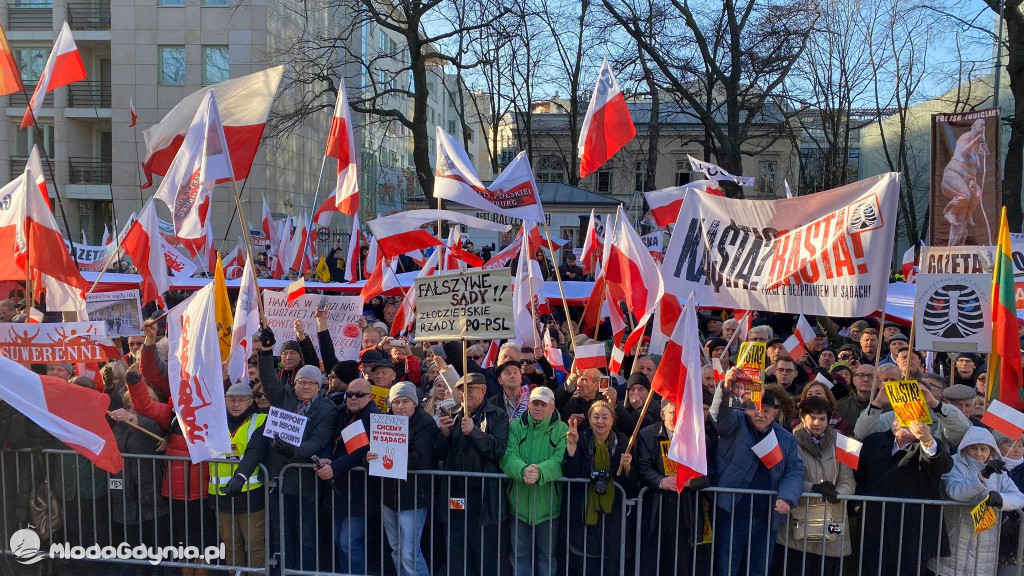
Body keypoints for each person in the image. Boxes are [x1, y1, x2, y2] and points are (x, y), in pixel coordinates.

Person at [233, 328, 338, 572]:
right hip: (278, 481)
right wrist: (267, 351)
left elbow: (318, 441)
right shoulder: (283, 396)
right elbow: (268, 379)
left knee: (307, 537)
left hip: (306, 483)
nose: (306, 386)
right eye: (302, 381)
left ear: (319, 385)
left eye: (311, 383)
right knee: (281, 535)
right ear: (296, 382)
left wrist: (292, 451)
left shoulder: (327, 409)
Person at [711, 371, 805, 576]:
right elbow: (719, 416)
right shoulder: (735, 424)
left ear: (774, 414)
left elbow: (794, 471)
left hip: (766, 519)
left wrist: (787, 498)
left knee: (759, 571)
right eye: (756, 408)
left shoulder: (786, 439)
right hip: (733, 514)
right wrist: (726, 389)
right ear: (746, 409)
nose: (761, 414)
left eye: (767, 410)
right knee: (725, 569)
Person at [434, 373, 510, 576]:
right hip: (457, 494)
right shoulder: (453, 414)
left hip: (483, 496)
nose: (464, 394)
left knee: (484, 549)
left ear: (483, 390)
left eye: (470, 389)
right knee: (458, 548)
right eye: (460, 390)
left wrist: (474, 432)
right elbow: (439, 453)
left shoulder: (498, 415)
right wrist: (444, 435)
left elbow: (498, 449)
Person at [856, 418, 953, 575]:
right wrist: (857, 504)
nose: (901, 424)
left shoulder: (929, 445)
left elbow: (942, 465)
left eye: (909, 422)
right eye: (898, 419)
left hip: (913, 530)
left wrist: (927, 440)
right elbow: (860, 475)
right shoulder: (873, 441)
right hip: (875, 525)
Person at [773, 396, 855, 576]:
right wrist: (813, 489)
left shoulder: (845, 443)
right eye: (812, 417)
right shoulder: (788, 440)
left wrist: (836, 493)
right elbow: (784, 477)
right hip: (798, 519)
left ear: (829, 419)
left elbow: (848, 480)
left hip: (832, 517)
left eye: (822, 418)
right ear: (802, 418)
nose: (817, 423)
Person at [636, 398, 717, 576]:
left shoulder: (699, 439)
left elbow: (709, 473)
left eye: (681, 413)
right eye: (673, 412)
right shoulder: (647, 435)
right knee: (651, 563)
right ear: (662, 414)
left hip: (686, 512)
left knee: (680, 564)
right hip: (656, 510)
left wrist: (690, 481)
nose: (677, 417)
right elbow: (642, 466)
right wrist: (660, 481)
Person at [933, 426, 1024, 576]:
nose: (979, 453)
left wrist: (1001, 499)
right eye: (973, 448)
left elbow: (1019, 497)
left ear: (991, 450)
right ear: (964, 448)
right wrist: (983, 476)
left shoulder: (998, 470)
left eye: (984, 449)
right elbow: (956, 492)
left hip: (986, 547)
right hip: (955, 540)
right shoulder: (953, 464)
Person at [500, 387, 569, 576]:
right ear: (528, 405)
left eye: (543, 404)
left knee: (547, 557)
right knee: (519, 555)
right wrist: (522, 470)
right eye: (535, 403)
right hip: (518, 506)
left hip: (549, 508)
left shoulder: (563, 430)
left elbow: (561, 459)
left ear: (552, 406)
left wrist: (539, 472)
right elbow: (507, 455)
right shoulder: (514, 427)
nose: (538, 408)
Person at [371, 382, 437, 576]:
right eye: (396, 402)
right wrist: (370, 458)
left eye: (405, 401)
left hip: (414, 497)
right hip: (389, 496)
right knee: (396, 548)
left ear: (414, 403)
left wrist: (387, 457)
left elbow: (420, 460)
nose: (400, 406)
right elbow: (376, 455)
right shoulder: (384, 422)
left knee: (409, 552)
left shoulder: (425, 423)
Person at [562, 401, 633, 576]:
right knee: (587, 566)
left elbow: (631, 484)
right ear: (590, 419)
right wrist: (571, 448)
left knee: (610, 568)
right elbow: (571, 474)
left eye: (604, 417)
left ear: (612, 420)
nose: (600, 421)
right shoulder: (582, 438)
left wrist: (628, 468)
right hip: (585, 514)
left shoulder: (623, 442)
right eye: (596, 417)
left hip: (613, 517)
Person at [316, 377, 378, 574]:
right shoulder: (341, 411)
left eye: (359, 395)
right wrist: (326, 458)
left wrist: (334, 467)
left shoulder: (374, 416)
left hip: (360, 491)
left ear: (369, 397)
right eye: (349, 393)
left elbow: (360, 451)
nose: (353, 398)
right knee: (338, 540)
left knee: (348, 541)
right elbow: (328, 438)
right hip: (337, 489)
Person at [212, 383, 268, 569]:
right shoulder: (214, 421)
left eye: (241, 400)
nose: (236, 404)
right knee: (230, 545)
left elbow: (255, 451)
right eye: (231, 400)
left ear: (251, 401)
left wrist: (240, 476)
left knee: (254, 546)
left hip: (250, 494)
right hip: (221, 495)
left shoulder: (261, 420)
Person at [855, 368, 971, 448]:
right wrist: (877, 403)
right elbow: (861, 433)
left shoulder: (941, 420)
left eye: (920, 394)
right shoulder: (888, 418)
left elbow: (962, 430)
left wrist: (934, 403)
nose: (914, 398)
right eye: (910, 393)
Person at [556, 367, 635, 436]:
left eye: (584, 380)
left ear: (596, 386)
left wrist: (614, 403)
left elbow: (629, 428)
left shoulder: (606, 403)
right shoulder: (569, 402)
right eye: (578, 380)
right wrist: (568, 423)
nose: (579, 384)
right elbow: (555, 426)